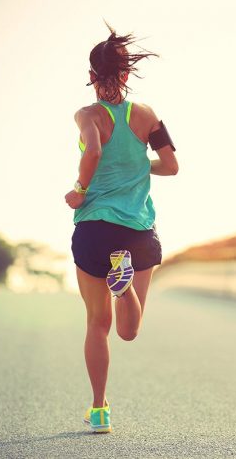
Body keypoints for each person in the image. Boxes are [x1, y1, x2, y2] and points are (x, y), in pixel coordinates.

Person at [64, 25, 178, 434]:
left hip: (95, 228)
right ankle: (124, 286)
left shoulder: (87, 115)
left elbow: (93, 149)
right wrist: (138, 165)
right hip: (137, 232)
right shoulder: (146, 115)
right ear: (127, 75)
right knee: (130, 330)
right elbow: (172, 166)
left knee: (98, 324)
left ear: (91, 76)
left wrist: (80, 190)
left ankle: (99, 409)